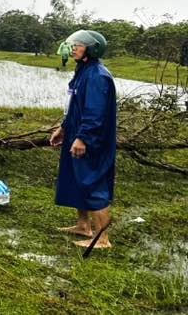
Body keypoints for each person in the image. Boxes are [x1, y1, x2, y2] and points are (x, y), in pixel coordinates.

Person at [49, 30, 116, 250]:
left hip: (92, 139)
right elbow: (75, 105)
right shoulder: (83, 70)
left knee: (93, 182)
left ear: (91, 49)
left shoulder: (97, 75)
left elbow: (95, 113)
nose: (73, 48)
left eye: (78, 45)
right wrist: (64, 128)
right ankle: (83, 226)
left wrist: (83, 138)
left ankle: (102, 239)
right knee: (78, 179)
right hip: (77, 133)